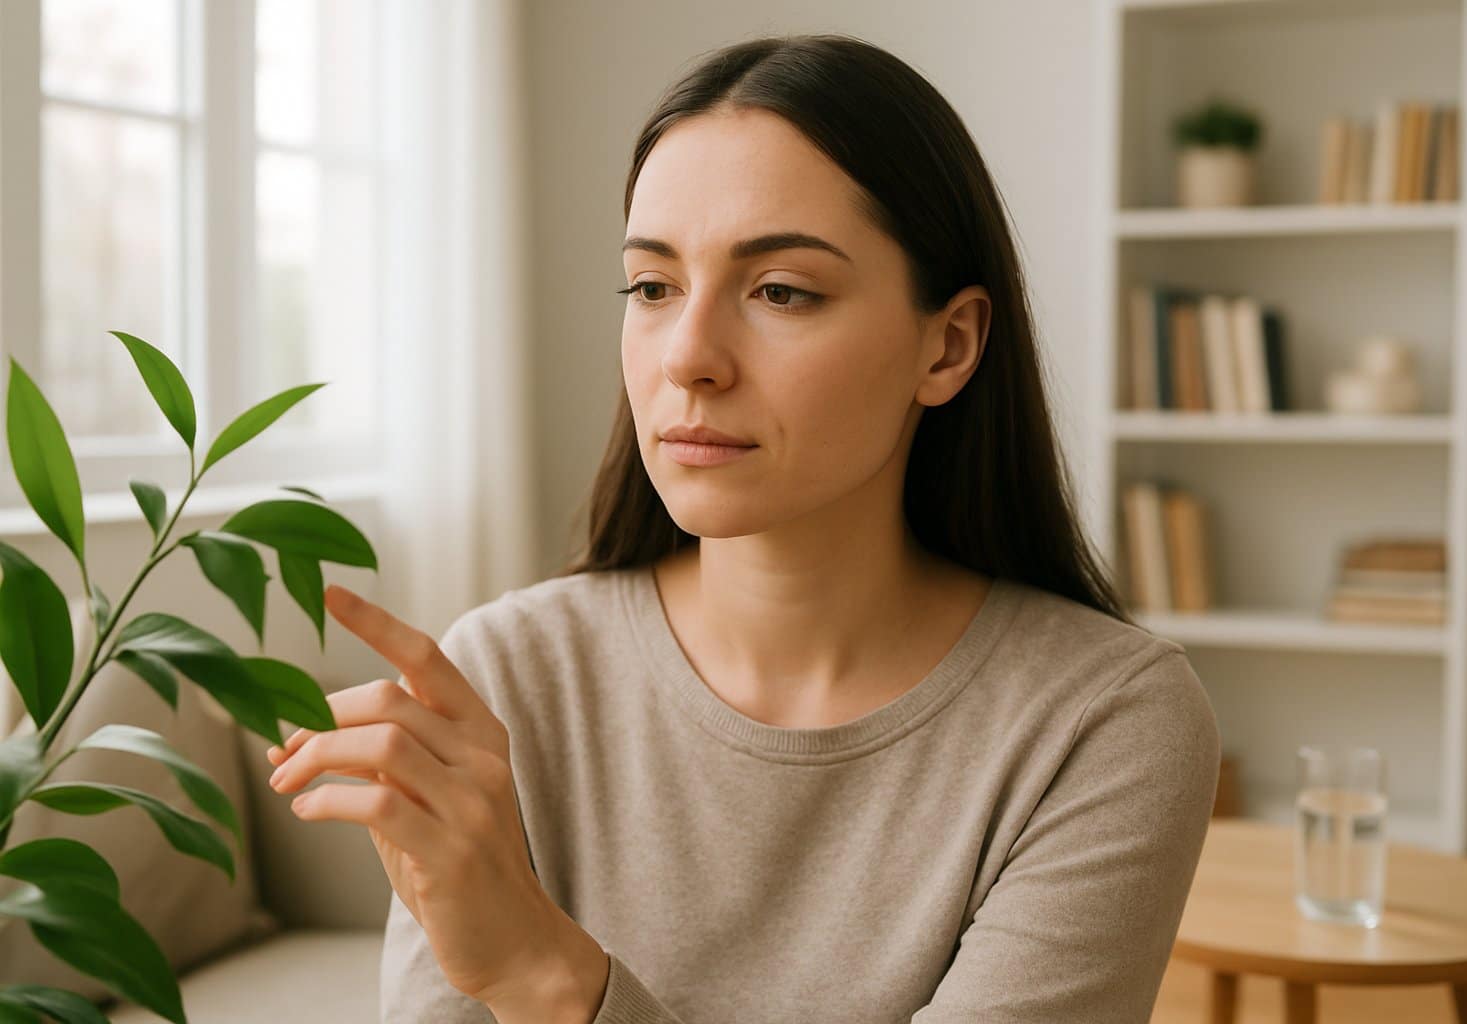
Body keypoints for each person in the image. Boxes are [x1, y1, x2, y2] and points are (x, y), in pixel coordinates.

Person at [379, 31, 1221, 1023]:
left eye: (781, 291)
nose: (688, 357)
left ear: (948, 345)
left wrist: (548, 978)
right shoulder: (503, 678)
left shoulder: (1102, 722)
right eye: (653, 287)